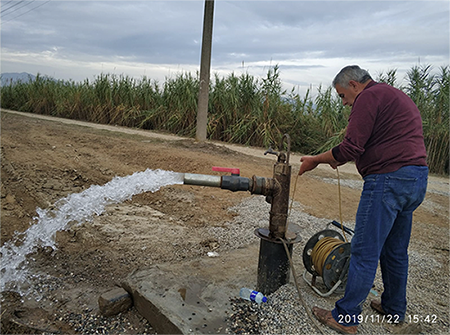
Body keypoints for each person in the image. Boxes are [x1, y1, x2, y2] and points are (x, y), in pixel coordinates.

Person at [299, 65, 428, 335]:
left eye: (343, 96)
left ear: (355, 85)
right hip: (415, 180)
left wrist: (315, 160)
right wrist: (341, 157)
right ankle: (394, 308)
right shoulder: (395, 95)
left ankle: (345, 317)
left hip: (387, 180)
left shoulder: (368, 97)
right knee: (395, 251)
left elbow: (350, 148)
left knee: (364, 251)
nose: (345, 103)